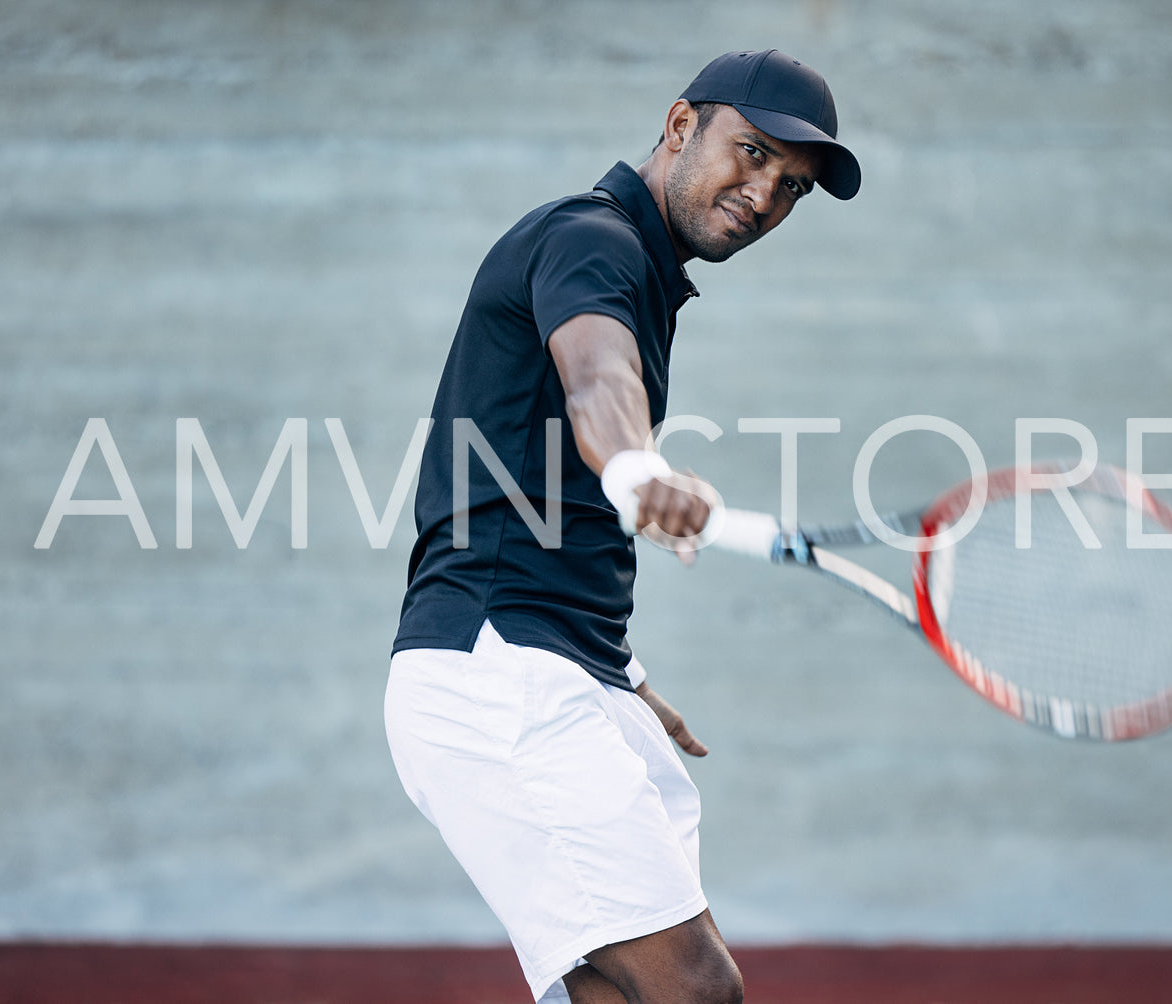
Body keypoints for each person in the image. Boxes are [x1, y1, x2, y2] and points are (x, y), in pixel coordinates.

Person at [384, 49, 860, 1003]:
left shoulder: (633, 263)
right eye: (752, 152)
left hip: (562, 665)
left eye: (792, 187)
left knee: (626, 996)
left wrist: (625, 670)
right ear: (681, 127)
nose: (764, 194)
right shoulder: (593, 240)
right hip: (501, 670)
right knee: (695, 990)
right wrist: (639, 469)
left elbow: (539, 473)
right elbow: (598, 380)